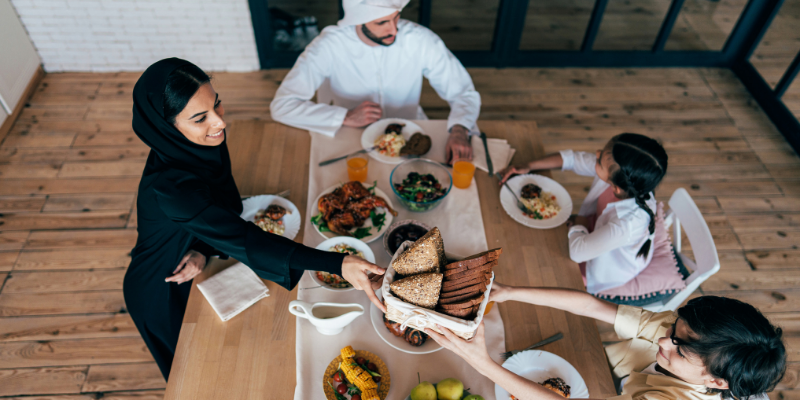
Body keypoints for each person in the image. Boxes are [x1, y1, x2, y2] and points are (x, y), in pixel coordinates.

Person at [124, 58, 386, 380]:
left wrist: (203, 249)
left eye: (216, 105)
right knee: (189, 369)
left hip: (187, 256)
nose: (219, 122)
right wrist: (338, 263)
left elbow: (213, 207)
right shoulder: (171, 188)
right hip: (159, 286)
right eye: (200, 118)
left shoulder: (191, 143)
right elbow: (246, 239)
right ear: (167, 128)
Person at [428, 283, 787, 400]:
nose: (663, 339)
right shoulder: (687, 336)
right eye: (673, 329)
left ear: (717, 382)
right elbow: (591, 305)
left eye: (679, 346)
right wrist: (508, 291)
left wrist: (483, 364)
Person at [269, 0, 480, 164]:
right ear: (357, 20)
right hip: (348, 136)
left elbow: (463, 92)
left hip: (410, 137)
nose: (394, 30)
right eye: (382, 23)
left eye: (396, 18)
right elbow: (282, 106)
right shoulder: (328, 46)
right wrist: (345, 116)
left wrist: (460, 130)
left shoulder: (420, 40)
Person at [499, 134, 669, 294]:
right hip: (596, 231)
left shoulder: (626, 224)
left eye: (600, 160)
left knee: (537, 268)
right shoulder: (624, 179)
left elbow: (577, 253)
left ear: (616, 187)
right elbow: (572, 159)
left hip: (603, 266)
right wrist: (530, 165)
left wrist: (579, 222)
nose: (596, 153)